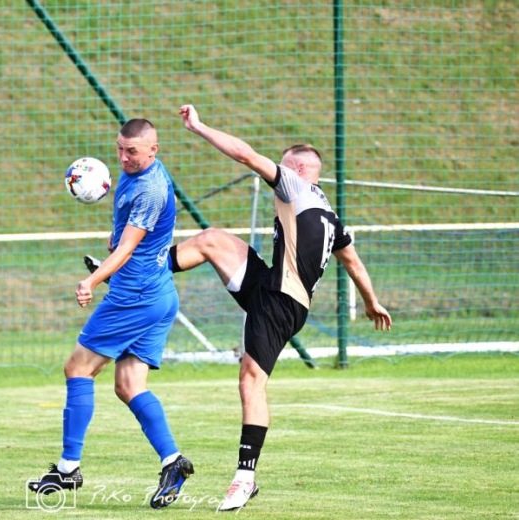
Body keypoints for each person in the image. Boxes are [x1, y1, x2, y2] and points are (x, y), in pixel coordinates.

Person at [171, 105, 392, 512]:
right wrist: (371, 301)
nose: (277, 173)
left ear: (301, 170)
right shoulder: (331, 215)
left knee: (251, 380)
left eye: (284, 166)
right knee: (212, 240)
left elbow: (245, 155)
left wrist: (199, 127)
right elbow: (354, 263)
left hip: (281, 301)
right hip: (272, 287)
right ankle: (136, 270)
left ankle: (245, 478)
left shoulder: (295, 186)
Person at [28, 118, 194, 509]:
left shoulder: (151, 188)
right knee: (129, 386)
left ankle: (69, 468)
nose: (123, 157)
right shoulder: (138, 175)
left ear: (154, 150)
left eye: (132, 151)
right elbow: (129, 237)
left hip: (133, 296)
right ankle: (174, 462)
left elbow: (125, 251)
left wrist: (93, 280)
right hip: (158, 294)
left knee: (77, 368)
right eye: (119, 148)